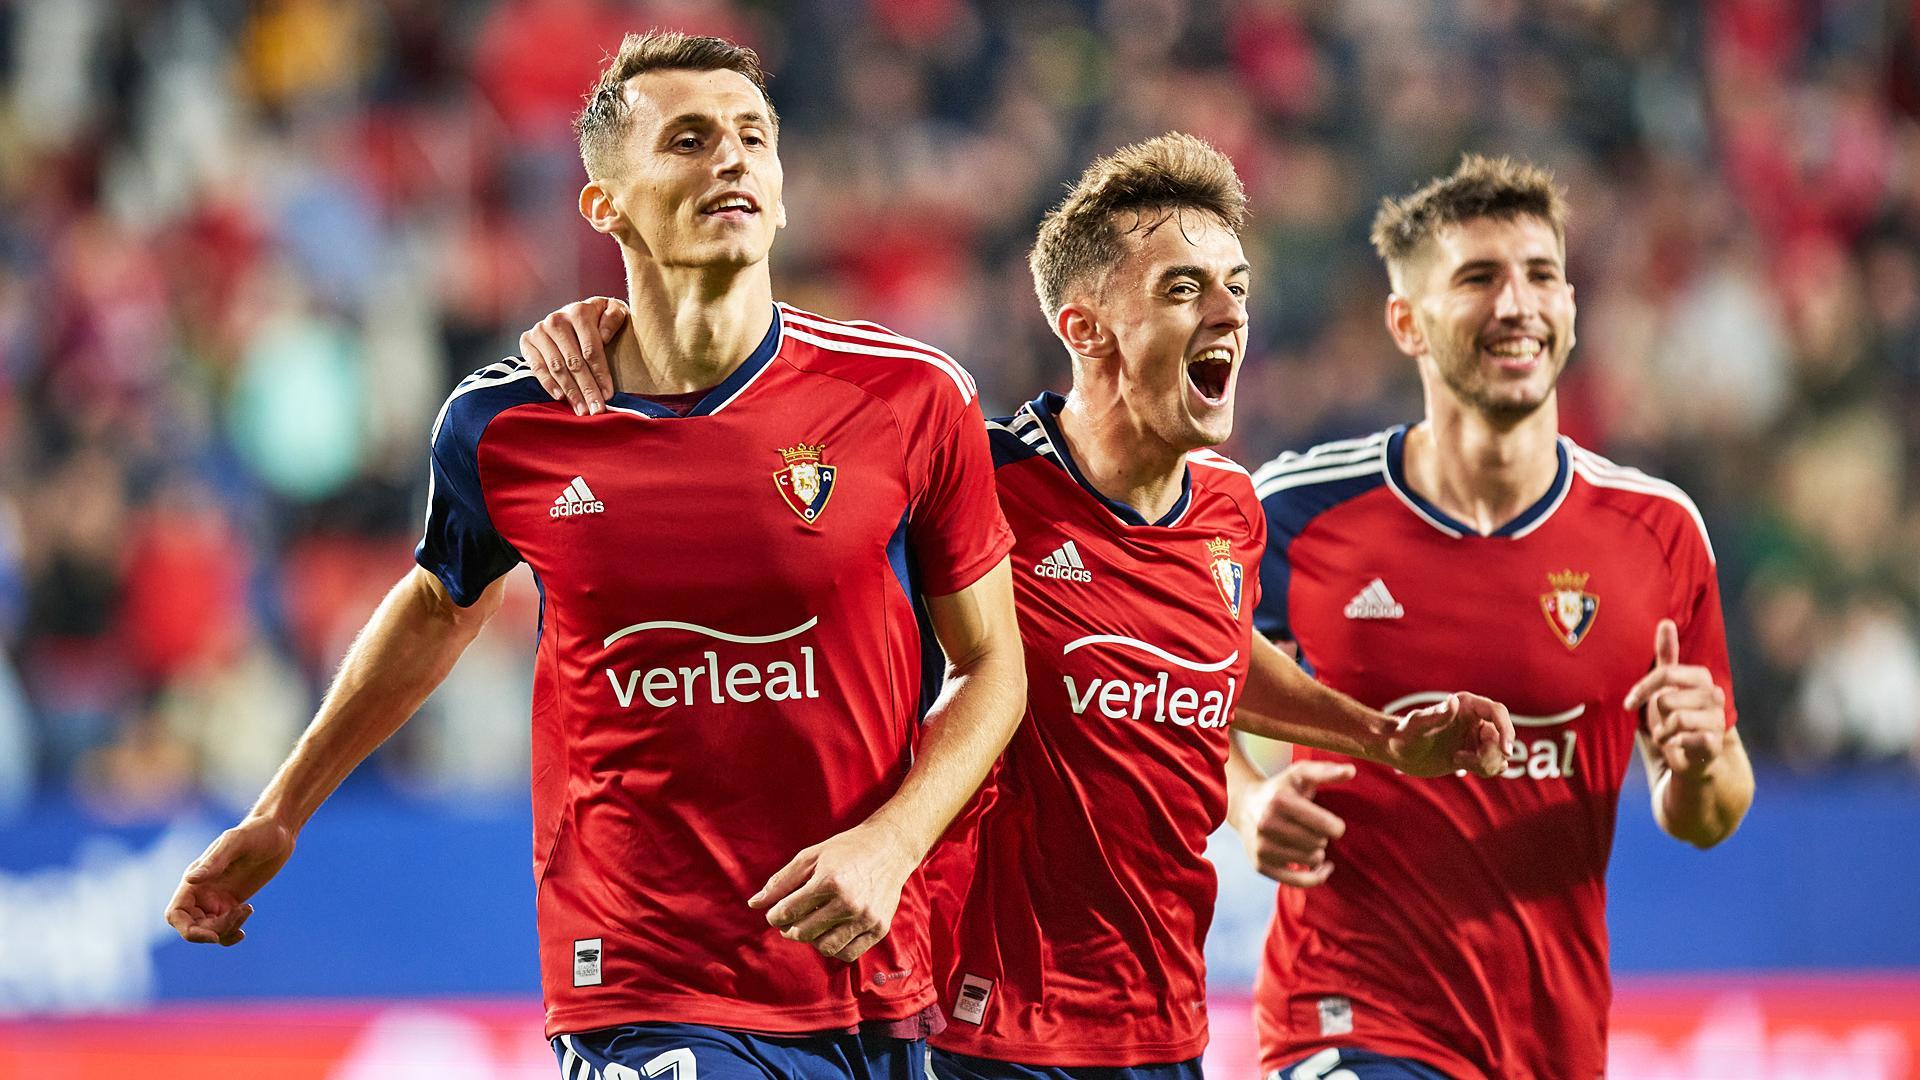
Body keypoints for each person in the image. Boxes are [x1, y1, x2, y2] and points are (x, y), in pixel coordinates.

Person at [524, 134, 1515, 1080]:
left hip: (1164, 1028)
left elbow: (1208, 659)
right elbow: (767, 453)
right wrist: (622, 340)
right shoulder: (974, 482)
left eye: (1237, 289)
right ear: (1082, 327)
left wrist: (1380, 738)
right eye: (1183, 289)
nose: (1228, 312)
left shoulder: (1230, 510)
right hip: (981, 1034)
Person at [164, 31, 1030, 1080]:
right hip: (645, 982)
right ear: (605, 205)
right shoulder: (507, 423)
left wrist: (893, 843)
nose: (732, 160)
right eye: (691, 138)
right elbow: (440, 603)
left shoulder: (911, 398)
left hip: (876, 974)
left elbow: (994, 667)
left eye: (754, 136)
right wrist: (281, 812)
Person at [1232, 155, 1756, 1080]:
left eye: (1542, 275)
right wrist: (1246, 803)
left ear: (1572, 310)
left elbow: (1707, 817)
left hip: (1553, 1035)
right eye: (1479, 278)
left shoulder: (1658, 532)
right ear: (1408, 323)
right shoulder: (1295, 515)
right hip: (1347, 1012)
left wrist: (1702, 760)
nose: (1518, 303)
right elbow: (1185, 692)